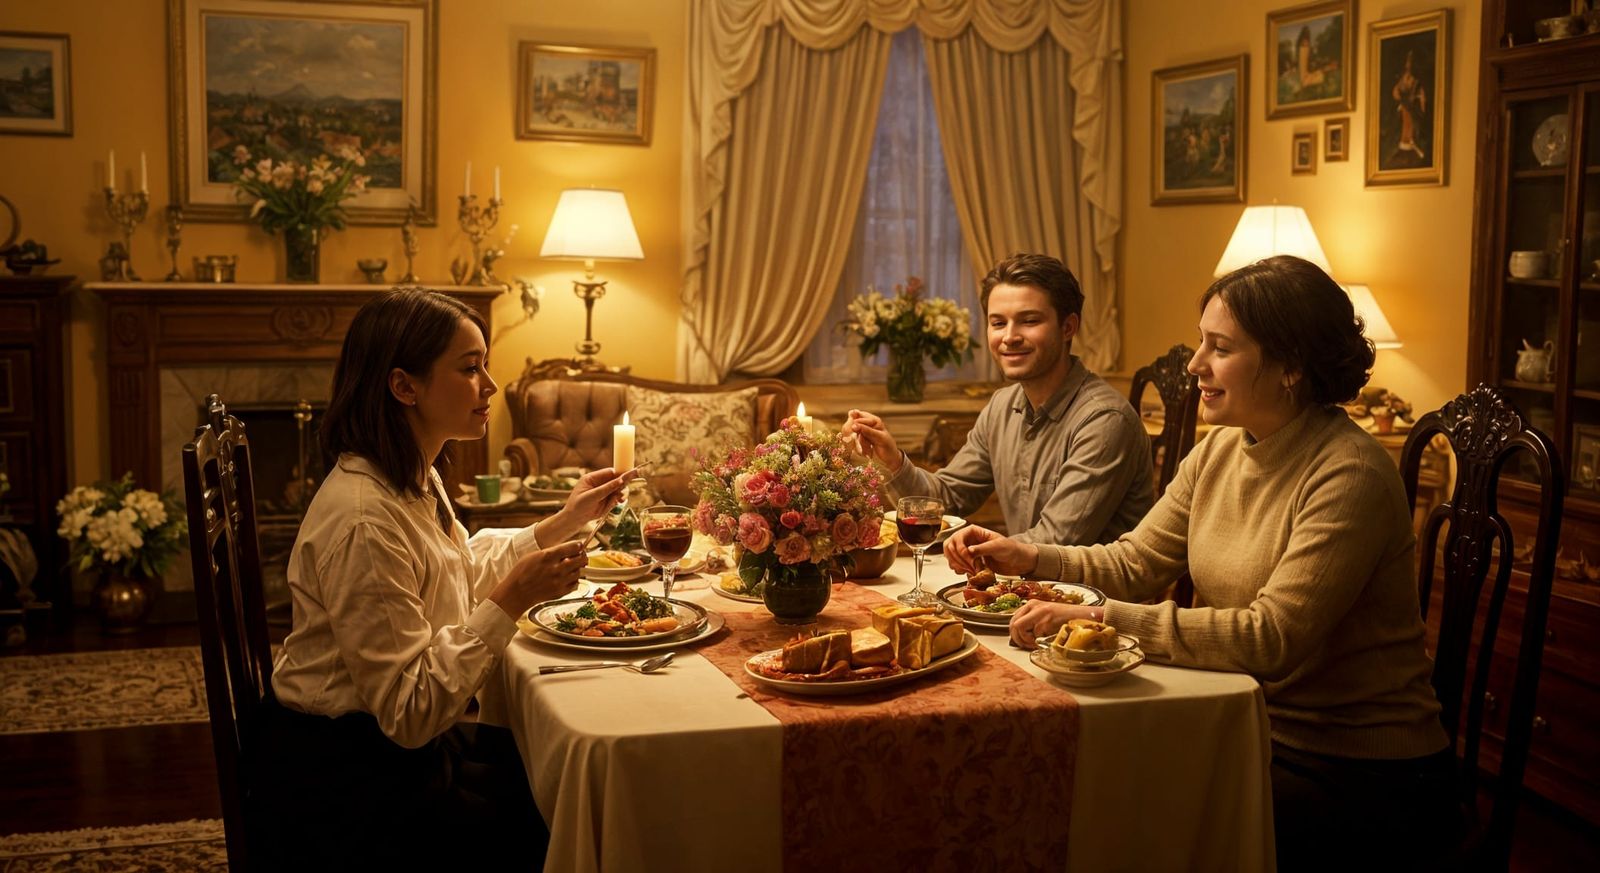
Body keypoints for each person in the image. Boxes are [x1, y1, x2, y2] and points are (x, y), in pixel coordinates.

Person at [946, 255, 1458, 870]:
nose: (1195, 366)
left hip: (1350, 764)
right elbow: (1137, 559)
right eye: (1200, 344)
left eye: (1220, 348)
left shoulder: (1348, 473)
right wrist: (1028, 555)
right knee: (1070, 782)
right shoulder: (1218, 450)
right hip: (1241, 716)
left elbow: (1270, 638)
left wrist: (1100, 619)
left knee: (1127, 817)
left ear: (1291, 365)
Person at [253, 289, 632, 869]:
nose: (490, 385)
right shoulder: (363, 519)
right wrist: (511, 600)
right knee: (571, 812)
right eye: (469, 367)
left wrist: (565, 521)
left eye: (484, 364)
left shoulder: (407, 474)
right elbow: (410, 714)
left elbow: (455, 570)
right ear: (404, 386)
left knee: (567, 768)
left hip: (392, 748)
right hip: (352, 782)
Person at [843, 253, 1154, 545]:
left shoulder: (1104, 420)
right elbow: (947, 498)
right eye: (998, 323)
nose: (1009, 337)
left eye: (1029, 321)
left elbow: (1057, 541)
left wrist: (972, 550)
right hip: (1025, 591)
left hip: (1089, 600)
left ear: (1068, 327)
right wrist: (892, 458)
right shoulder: (1002, 406)